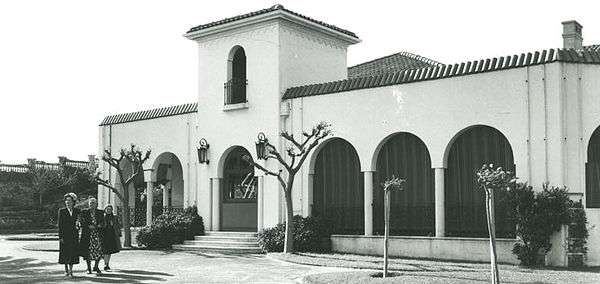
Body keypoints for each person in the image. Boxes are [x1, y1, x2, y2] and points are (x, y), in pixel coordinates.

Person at [78, 197, 104, 274]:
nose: (92, 204)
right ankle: (88, 268)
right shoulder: (84, 212)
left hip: (97, 234)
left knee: (98, 251)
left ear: (96, 204)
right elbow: (81, 221)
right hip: (88, 234)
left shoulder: (100, 212)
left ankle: (96, 266)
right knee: (87, 251)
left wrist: (100, 225)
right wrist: (88, 226)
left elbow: (103, 221)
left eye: (93, 203)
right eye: (90, 203)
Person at [58, 192, 80, 277]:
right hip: (65, 236)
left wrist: (79, 225)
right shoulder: (62, 211)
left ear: (73, 202)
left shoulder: (77, 211)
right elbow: (60, 225)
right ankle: (66, 269)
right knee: (65, 252)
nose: (67, 202)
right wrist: (61, 237)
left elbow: (80, 222)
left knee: (73, 252)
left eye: (69, 201)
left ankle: (71, 270)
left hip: (74, 235)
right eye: (66, 201)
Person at [101, 204, 121, 270]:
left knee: (109, 251)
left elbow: (118, 226)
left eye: (110, 209)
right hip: (104, 235)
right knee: (105, 251)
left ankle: (107, 264)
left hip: (112, 235)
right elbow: (101, 226)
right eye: (107, 209)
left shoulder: (114, 217)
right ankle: (105, 264)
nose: (108, 210)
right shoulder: (102, 217)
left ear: (112, 210)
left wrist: (119, 233)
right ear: (105, 210)